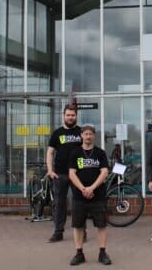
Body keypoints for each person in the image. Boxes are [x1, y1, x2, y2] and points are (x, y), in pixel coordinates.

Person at [68, 125, 111, 266]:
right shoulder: (75, 153)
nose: (88, 136)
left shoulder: (100, 153)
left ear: (94, 136)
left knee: (101, 225)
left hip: (98, 195)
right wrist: (83, 189)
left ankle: (102, 253)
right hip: (79, 196)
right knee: (78, 225)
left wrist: (92, 188)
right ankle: (79, 253)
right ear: (81, 135)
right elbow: (72, 173)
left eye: (90, 134)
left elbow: (104, 172)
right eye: (85, 134)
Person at [46, 103, 83, 243]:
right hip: (60, 175)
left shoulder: (81, 132)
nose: (70, 117)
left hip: (78, 175)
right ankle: (58, 232)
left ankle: (81, 231)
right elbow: (50, 152)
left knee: (79, 204)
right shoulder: (57, 133)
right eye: (68, 115)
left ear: (76, 116)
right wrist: (50, 170)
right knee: (60, 204)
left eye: (73, 115)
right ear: (64, 116)